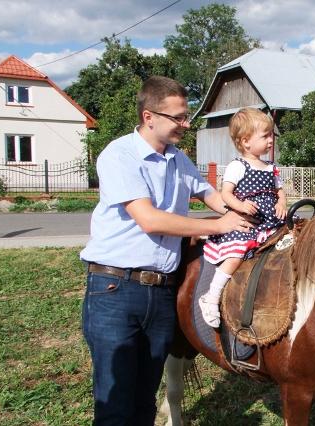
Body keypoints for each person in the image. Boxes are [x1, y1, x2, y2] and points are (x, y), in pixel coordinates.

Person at [80, 75, 252, 425]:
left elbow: (211, 196)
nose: (186, 124)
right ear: (149, 117)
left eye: (186, 116)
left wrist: (247, 212)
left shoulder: (178, 159)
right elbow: (149, 219)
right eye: (179, 117)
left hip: (161, 293)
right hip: (116, 290)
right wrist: (218, 226)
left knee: (144, 401)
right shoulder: (120, 155)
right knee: (115, 405)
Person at [198, 107, 287, 327]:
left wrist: (281, 203)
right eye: (265, 136)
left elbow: (280, 191)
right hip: (248, 225)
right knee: (236, 256)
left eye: (271, 135)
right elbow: (226, 194)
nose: (271, 140)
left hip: (271, 223)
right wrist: (241, 206)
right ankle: (211, 296)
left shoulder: (271, 167)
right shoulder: (238, 166)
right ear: (246, 142)